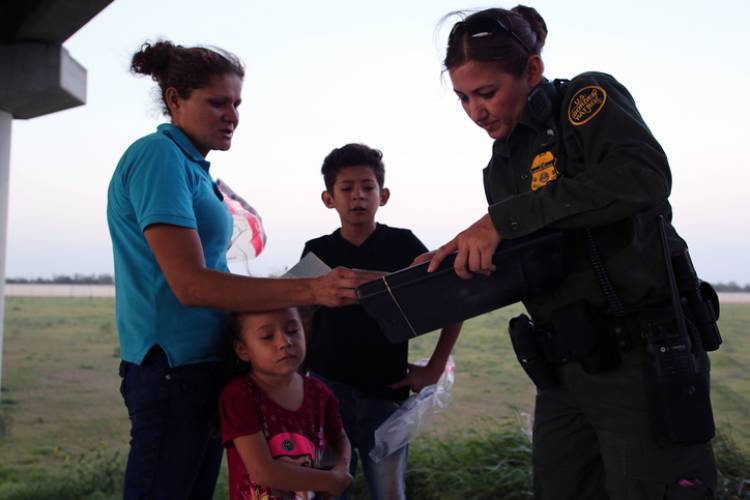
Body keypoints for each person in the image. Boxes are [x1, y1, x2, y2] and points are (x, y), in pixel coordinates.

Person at [423, 6, 718, 499]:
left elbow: (642, 178)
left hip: (639, 363)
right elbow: (536, 260)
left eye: (487, 93)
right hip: (564, 373)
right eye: (463, 98)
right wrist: (446, 271)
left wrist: (503, 220)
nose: (476, 111)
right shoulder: (500, 167)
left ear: (532, 72)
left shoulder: (585, 100)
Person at [107, 41, 377, 499]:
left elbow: (212, 270)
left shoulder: (194, 168)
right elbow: (191, 284)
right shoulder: (158, 156)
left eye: (236, 103)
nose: (231, 115)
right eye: (217, 102)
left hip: (206, 366)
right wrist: (311, 290)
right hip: (173, 370)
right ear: (174, 100)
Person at [301, 143, 462, 500]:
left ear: (383, 194)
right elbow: (302, 315)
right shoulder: (317, 251)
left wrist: (433, 367)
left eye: (367, 187)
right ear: (329, 198)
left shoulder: (404, 245)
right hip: (327, 390)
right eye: (347, 188)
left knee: (389, 492)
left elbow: (452, 300)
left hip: (386, 392)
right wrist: (297, 378)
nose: (358, 196)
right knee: (327, 489)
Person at [219, 307, 352, 500]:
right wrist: (330, 480)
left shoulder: (319, 392)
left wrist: (342, 467)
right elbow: (263, 472)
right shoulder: (240, 396)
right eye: (267, 336)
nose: (284, 342)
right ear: (243, 349)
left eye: (292, 331)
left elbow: (339, 438)